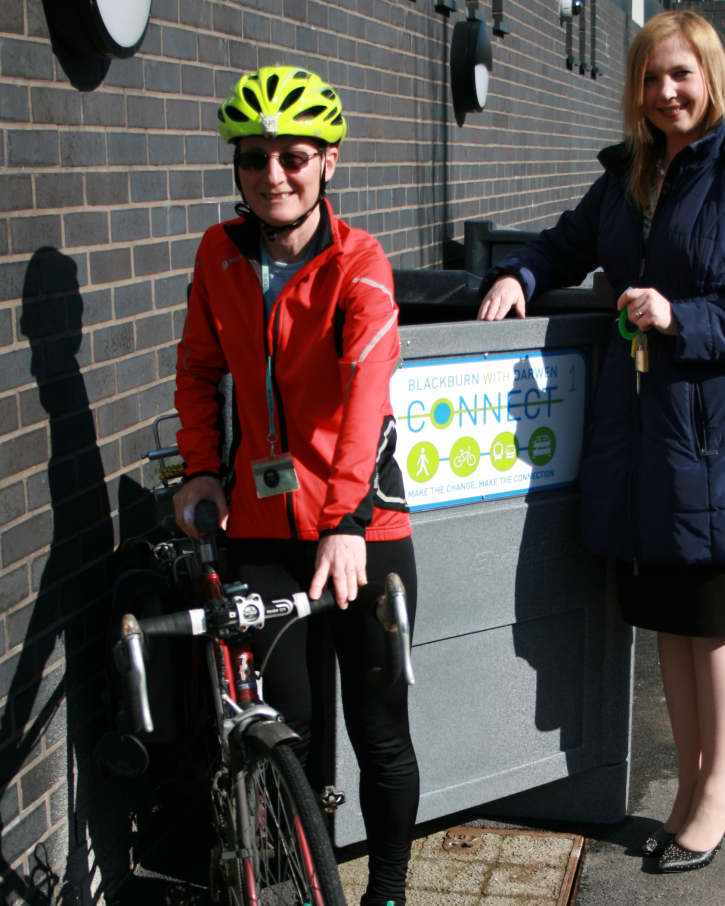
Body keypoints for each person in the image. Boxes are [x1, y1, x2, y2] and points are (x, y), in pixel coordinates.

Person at [477, 12, 725, 873]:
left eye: (681, 75)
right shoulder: (631, 178)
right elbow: (565, 243)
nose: (666, 92)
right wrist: (519, 276)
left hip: (720, 443)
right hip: (646, 445)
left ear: (711, 75)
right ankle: (691, 782)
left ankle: (716, 790)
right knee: (670, 624)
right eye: (651, 78)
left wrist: (683, 317)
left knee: (717, 624)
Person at [173, 66, 418, 906]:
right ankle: (304, 884)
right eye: (253, 158)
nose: (273, 175)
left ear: (329, 162)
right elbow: (200, 366)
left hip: (363, 529)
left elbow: (366, 390)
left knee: (379, 733)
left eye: (294, 156)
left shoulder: (361, 262)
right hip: (263, 527)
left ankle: (385, 890)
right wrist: (203, 465)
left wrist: (347, 515)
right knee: (292, 729)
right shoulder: (220, 252)